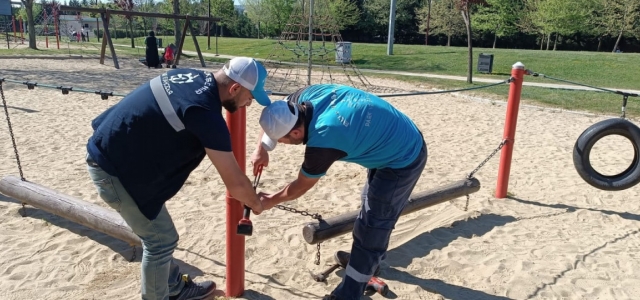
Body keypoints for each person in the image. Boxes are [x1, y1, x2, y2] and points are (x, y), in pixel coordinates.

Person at [86, 57, 272, 300]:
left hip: (121, 157)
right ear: (234, 88)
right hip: (113, 171)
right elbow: (235, 183)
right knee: (160, 240)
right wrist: (256, 204)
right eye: (250, 96)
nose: (249, 103)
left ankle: (173, 288)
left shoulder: (191, 76)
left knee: (161, 232)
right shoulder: (205, 113)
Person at [251, 84, 427, 300]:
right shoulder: (304, 98)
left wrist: (270, 200)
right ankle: (366, 264)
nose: (281, 144)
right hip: (390, 134)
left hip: (404, 156)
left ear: (296, 132)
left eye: (281, 140)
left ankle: (349, 293)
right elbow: (273, 110)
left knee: (373, 224)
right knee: (369, 206)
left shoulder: (325, 137)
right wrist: (261, 149)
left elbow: (301, 186)